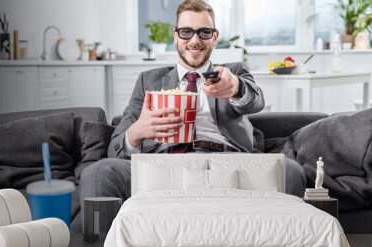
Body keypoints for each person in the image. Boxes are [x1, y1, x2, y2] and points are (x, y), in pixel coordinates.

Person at [79, 0, 306, 210]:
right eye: (186, 32)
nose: (195, 40)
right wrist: (136, 133)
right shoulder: (148, 80)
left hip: (229, 164)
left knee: (290, 171)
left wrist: (235, 87)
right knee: (99, 172)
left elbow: (256, 100)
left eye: (204, 32)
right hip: (162, 166)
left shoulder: (232, 72)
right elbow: (115, 147)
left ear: (215, 37)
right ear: (175, 36)